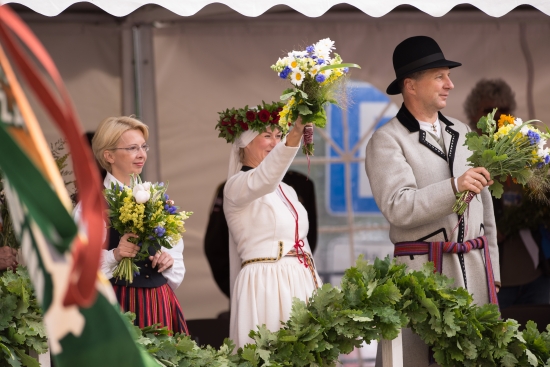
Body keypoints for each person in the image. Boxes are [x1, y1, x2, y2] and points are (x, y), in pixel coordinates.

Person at [364, 36, 500, 366]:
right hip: (423, 279)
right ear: (410, 85)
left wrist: (493, 270)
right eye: (439, 76)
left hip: (476, 273)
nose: (450, 84)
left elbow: (486, 209)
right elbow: (399, 206)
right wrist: (454, 186)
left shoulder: (463, 130)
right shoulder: (386, 140)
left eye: (447, 75)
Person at [74, 116, 188, 334]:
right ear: (109, 155)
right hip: (115, 303)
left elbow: (175, 251)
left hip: (158, 302)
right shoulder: (90, 206)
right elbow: (76, 264)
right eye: (133, 148)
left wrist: (168, 260)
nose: (141, 154)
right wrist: (115, 254)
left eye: (144, 147)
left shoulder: (157, 199)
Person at [220, 106, 320, 348]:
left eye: (279, 135)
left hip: (300, 280)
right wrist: (295, 133)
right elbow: (264, 179)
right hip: (266, 283)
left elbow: (303, 242)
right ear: (244, 144)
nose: (275, 142)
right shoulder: (236, 186)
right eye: (267, 135)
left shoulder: (288, 190)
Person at [464, 79, 550, 309]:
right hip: (492, 278)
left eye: (503, 111)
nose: (496, 116)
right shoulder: (466, 156)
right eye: (488, 110)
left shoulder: (525, 154)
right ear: (474, 117)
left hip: (535, 274)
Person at [204, 170, 318, 299]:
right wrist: (237, 289)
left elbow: (309, 238)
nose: (273, 148)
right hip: (254, 285)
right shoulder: (236, 187)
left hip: (297, 280)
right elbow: (216, 245)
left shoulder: (301, 183)